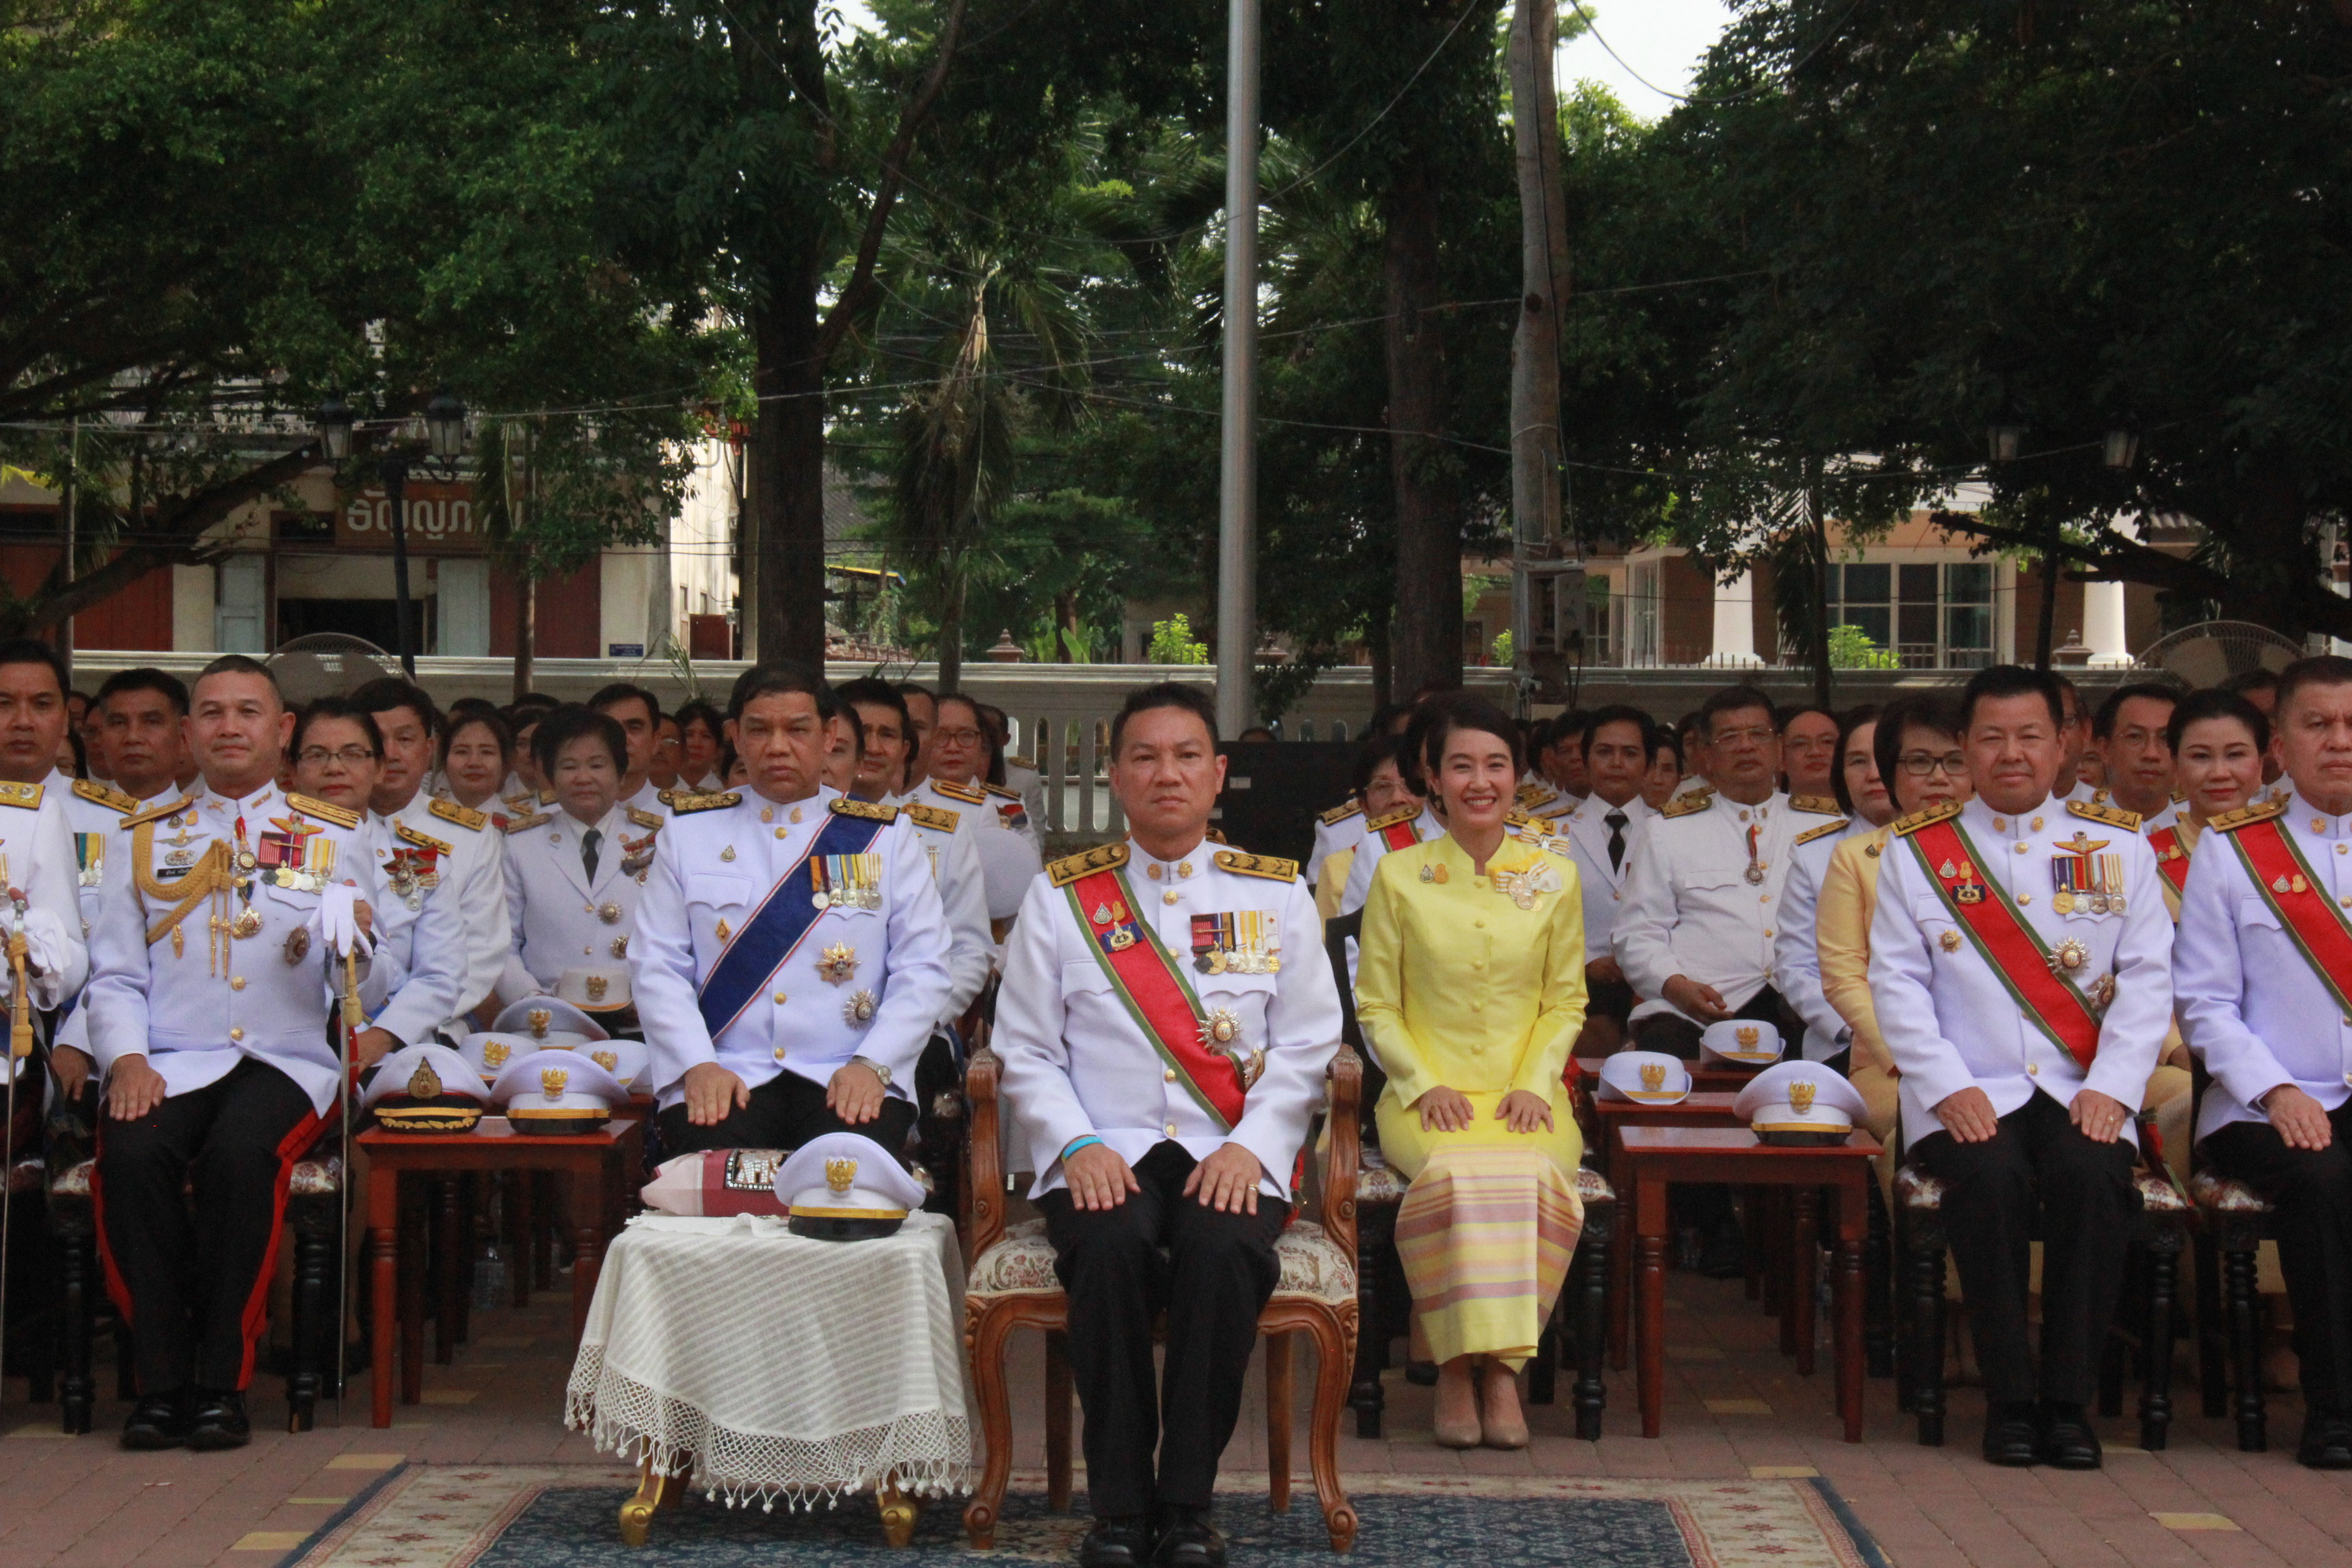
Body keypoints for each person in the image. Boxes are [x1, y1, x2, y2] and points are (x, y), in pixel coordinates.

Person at [992, 683, 1340, 1568]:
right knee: (1105, 1251)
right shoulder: (1063, 899)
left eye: (1187, 756)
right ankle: (1118, 1510)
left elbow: (1308, 1045)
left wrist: (1253, 1147)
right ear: (1115, 775)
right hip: (1101, 1145)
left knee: (1223, 1254)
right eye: (1144, 757)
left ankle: (1186, 1505)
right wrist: (1075, 1145)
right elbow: (1025, 1049)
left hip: (1232, 1145)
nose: (1167, 774)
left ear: (1218, 774)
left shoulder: (1276, 894)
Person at [1869, 664, 2169, 1469]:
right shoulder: (1917, 855)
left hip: (2081, 1087)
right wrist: (1945, 1086)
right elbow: (1895, 984)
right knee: (1992, 1181)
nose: (2012, 755)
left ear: (2064, 742)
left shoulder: (2117, 848)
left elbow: (2147, 980)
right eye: (1992, 738)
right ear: (1965, 746)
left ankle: (2067, 1401)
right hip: (1968, 1087)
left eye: (2031, 736)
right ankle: (2009, 1399)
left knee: (2092, 1179)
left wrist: (2114, 1088)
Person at [84, 657, 384, 1450]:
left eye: (247, 711)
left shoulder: (332, 834)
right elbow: (114, 973)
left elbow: (362, 971)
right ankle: (161, 1383)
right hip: (172, 1057)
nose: (228, 727)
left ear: (281, 730)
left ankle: (220, 1383)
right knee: (132, 1156)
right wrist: (124, 1060)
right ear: (188, 733)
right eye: (211, 712)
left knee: (239, 1160)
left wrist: (344, 942)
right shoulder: (143, 836)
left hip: (285, 1061)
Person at [1355, 694, 1585, 1451]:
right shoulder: (1398, 876)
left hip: (1529, 1095)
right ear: (1432, 776)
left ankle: (1501, 1374)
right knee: (1455, 1176)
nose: (1480, 781)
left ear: (1519, 774)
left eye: (1496, 765)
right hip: (1427, 1097)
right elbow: (1378, 1007)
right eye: (1462, 766)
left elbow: (1566, 1002)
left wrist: (1533, 1082)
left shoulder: (1554, 875)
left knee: (1525, 1177)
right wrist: (1424, 1085)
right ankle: (1457, 1367)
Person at [633, 664, 952, 1158]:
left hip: (847, 1069)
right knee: (712, 1182)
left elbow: (923, 967)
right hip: (725, 1068)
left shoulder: (884, 836)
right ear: (735, 738)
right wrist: (696, 1064)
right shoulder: (689, 831)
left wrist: (875, 1064)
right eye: (759, 729)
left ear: (829, 737)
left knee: (847, 1183)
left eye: (797, 729)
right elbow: (658, 964)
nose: (777, 746)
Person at [2176, 657, 2352, 1467]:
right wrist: (2275, 1089)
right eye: (2319, 725)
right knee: (2320, 1185)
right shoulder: (2234, 852)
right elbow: (2206, 1004)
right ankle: (2335, 1411)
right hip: (2265, 1103)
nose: (2340, 742)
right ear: (2279, 745)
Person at [1616, 684, 1833, 1059]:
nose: (1745, 746)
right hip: (1700, 1013)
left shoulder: (1826, 828)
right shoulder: (1668, 830)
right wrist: (1675, 985)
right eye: (1729, 737)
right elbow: (1638, 932)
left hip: (1806, 1009)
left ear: (1778, 748)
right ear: (1707, 756)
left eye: (1757, 735)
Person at [1817, 693, 1974, 1152]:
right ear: (1890, 772)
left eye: (1955, 761)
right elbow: (1844, 978)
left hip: (2001, 1060)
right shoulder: (1856, 858)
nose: (1939, 777)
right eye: (1920, 762)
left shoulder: (2008, 853)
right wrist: (1914, 1056)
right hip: (1891, 1064)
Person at [291, 698, 464, 1068]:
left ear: (380, 767)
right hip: (294, 1050)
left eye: (353, 754)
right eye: (317, 755)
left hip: (397, 1052)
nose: (334, 768)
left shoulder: (421, 861)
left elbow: (440, 973)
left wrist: (383, 1037)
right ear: (293, 769)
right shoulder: (267, 856)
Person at [50, 670, 195, 1100]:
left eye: (151, 722)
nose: (133, 736)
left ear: (183, 733)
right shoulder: (69, 816)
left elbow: (135, 959)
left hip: (158, 1050)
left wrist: (76, 1041)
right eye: (117, 723)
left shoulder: (204, 838)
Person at [353, 679, 508, 1036]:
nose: (390, 753)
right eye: (377, 740)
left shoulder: (470, 835)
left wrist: (393, 1026)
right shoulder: (323, 829)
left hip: (435, 1029)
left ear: (429, 749)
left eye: (405, 740)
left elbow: (480, 954)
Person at [498, 706, 664, 1007]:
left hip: (638, 1015)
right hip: (547, 1017)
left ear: (621, 773)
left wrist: (649, 1001)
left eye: (597, 766)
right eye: (569, 767)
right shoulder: (521, 845)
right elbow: (501, 943)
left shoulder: (657, 842)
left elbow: (674, 939)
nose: (583, 778)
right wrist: (534, 1000)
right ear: (549, 777)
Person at [1773, 705, 1889, 1066]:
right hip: (1845, 1045)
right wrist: (1862, 1031)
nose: (1873, 774)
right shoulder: (1815, 853)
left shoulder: (1952, 844)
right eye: (1857, 762)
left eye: (1884, 758)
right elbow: (1798, 966)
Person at [1553, 705, 1654, 1053]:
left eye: (1630, 753)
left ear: (1648, 764)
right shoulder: (1549, 834)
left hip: (1655, 990)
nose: (1616, 763)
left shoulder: (1672, 831)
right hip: (1574, 988)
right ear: (1585, 759)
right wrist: (1585, 963)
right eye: (1604, 752)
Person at [2157, 688, 2270, 910]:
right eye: (2201, 756)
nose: (2219, 773)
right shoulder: (2144, 858)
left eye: (2235, 755)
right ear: (2175, 765)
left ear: (2261, 764)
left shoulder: (2291, 853)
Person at [1311, 736, 1422, 917]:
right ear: (1364, 805)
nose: (1397, 798)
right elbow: (1332, 942)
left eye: (1409, 784)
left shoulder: (1455, 850)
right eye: (1382, 786)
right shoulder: (1337, 867)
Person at [2091, 683, 2183, 828]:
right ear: (2105, 749)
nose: (2151, 754)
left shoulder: (2202, 839)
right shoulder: (2074, 835)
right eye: (2134, 737)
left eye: (2165, 738)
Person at [589, 681, 670, 820]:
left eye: (634, 727)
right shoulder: (559, 814)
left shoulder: (682, 819)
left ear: (655, 742)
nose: (623, 739)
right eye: (611, 728)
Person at [438, 708, 514, 818]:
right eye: (462, 752)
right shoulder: (420, 823)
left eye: (487, 752)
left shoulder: (522, 824)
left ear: (505, 765)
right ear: (445, 763)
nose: (474, 762)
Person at [1779, 704, 1841, 800]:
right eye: (1800, 744)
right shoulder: (1766, 814)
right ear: (1781, 758)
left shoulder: (1866, 813)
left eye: (1827, 741)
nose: (1815, 752)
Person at [675, 700, 727, 792]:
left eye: (706, 736)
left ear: (718, 749)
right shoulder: (657, 791)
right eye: (689, 735)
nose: (696, 744)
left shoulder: (728, 792)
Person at [1641, 726, 1683, 811]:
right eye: (1649, 768)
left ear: (1678, 779)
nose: (1657, 780)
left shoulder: (1689, 822)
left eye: (1667, 770)